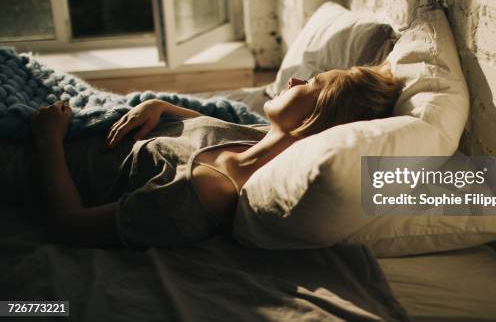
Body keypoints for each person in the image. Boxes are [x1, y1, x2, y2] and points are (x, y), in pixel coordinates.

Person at [31, 64, 403, 248]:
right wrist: (159, 105)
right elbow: (204, 131)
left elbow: (69, 224)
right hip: (77, 126)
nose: (293, 80)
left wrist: (48, 138)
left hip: (38, 157)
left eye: (310, 83)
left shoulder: (204, 193)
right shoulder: (258, 138)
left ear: (316, 116)